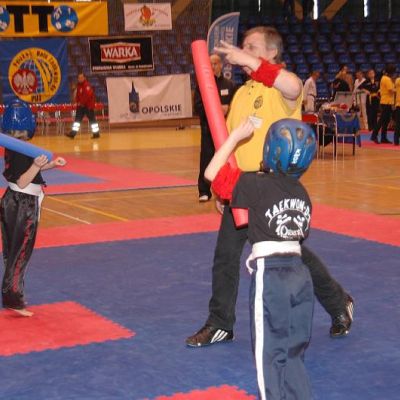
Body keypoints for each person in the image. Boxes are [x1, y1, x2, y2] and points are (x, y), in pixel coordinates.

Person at [186, 26, 353, 348]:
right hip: (242, 186)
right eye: (243, 46)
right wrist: (223, 189)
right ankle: (220, 323)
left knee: (294, 255)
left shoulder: (281, 88)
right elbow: (231, 145)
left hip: (275, 188)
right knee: (225, 256)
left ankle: (338, 303)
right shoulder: (242, 93)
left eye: (252, 46)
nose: (243, 51)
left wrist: (248, 60)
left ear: (272, 53)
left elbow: (292, 86)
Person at [204, 117, 316, 400]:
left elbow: (211, 173)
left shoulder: (254, 184)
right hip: (301, 278)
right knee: (294, 353)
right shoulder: (303, 195)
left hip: (271, 277)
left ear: (270, 150)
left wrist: (235, 138)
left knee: (269, 354)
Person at [1, 100, 66, 317]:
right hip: (23, 203)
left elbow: (26, 171)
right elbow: (22, 181)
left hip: (11, 201)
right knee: (20, 253)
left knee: (12, 251)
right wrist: (37, 165)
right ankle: (14, 299)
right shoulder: (20, 149)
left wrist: (50, 164)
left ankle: (11, 294)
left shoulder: (13, 146)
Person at [194, 54, 236, 202]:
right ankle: (204, 191)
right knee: (206, 159)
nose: (212, 66)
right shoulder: (202, 85)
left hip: (226, 131)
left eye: (215, 63)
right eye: (210, 64)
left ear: (221, 65)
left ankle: (228, 191)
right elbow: (197, 107)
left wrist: (228, 109)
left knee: (227, 160)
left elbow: (236, 106)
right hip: (208, 129)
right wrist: (215, 110)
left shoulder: (229, 85)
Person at [66, 72, 100, 139]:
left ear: (85, 78)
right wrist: (77, 102)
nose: (80, 79)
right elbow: (78, 96)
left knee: (92, 120)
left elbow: (87, 96)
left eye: (81, 77)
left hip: (88, 106)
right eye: (79, 78)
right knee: (77, 120)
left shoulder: (87, 85)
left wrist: (81, 103)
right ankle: (72, 134)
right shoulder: (79, 86)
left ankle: (96, 134)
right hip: (80, 106)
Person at [371, 63, 396, 144]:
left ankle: (383, 137)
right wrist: (398, 89)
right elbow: (391, 90)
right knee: (382, 120)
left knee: (386, 120)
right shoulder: (387, 79)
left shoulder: (384, 78)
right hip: (386, 102)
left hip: (387, 101)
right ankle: (374, 135)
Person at [393, 73, 400, 146]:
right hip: (398, 104)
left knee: (398, 123)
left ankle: (396, 141)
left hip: (398, 104)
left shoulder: (397, 80)